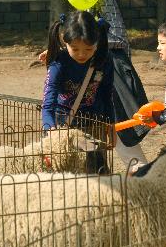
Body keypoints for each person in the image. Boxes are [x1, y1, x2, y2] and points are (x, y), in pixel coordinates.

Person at [40, 0, 148, 171]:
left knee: (121, 138)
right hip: (80, 87)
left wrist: (95, 43)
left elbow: (119, 37)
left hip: (104, 77)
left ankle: (144, 178)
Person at [41, 10, 115, 173]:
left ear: (97, 42)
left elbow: (107, 94)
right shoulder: (58, 64)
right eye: (75, 49)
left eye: (88, 49)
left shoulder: (104, 60)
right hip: (64, 127)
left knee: (97, 173)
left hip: (95, 124)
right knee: (66, 176)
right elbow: (48, 105)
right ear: (64, 40)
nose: (82, 54)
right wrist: (51, 131)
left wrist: (111, 125)